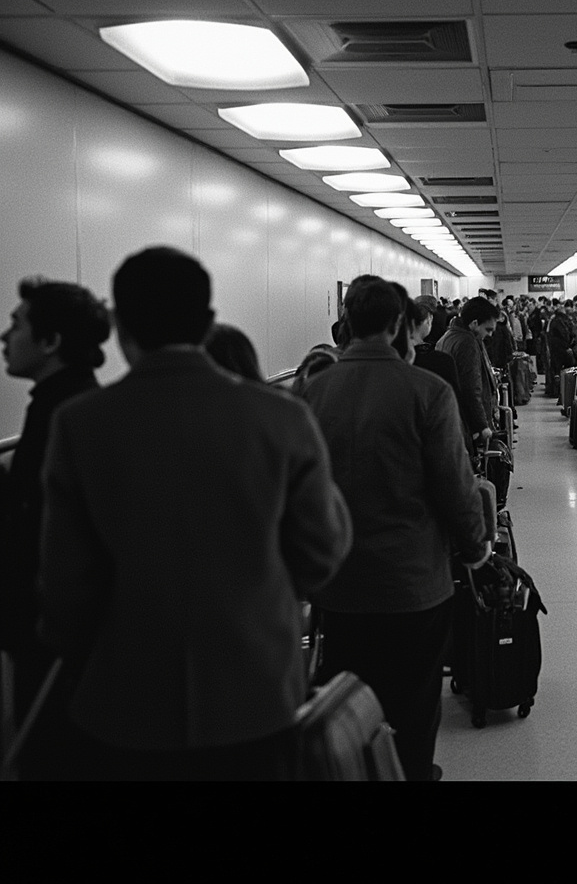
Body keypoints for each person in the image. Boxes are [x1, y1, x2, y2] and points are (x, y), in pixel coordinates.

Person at [37, 246, 352, 780]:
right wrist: (261, 593)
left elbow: (65, 583)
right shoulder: (281, 418)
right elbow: (323, 549)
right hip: (257, 691)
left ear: (118, 324)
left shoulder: (80, 424)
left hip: (124, 702)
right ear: (208, 322)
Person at [302, 279, 490, 782]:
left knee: (347, 701)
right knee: (411, 701)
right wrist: (477, 549)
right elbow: (456, 485)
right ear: (399, 325)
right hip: (412, 584)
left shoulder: (311, 392)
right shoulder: (427, 391)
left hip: (337, 583)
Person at [0, 277, 110, 779]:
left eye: (16, 324)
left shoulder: (67, 417)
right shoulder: (66, 405)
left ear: (51, 342)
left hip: (55, 638)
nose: (5, 336)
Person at [435, 295, 500, 451]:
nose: (490, 335)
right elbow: (471, 387)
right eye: (488, 329)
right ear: (474, 323)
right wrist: (482, 425)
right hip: (468, 424)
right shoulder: (468, 343)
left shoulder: (447, 337)